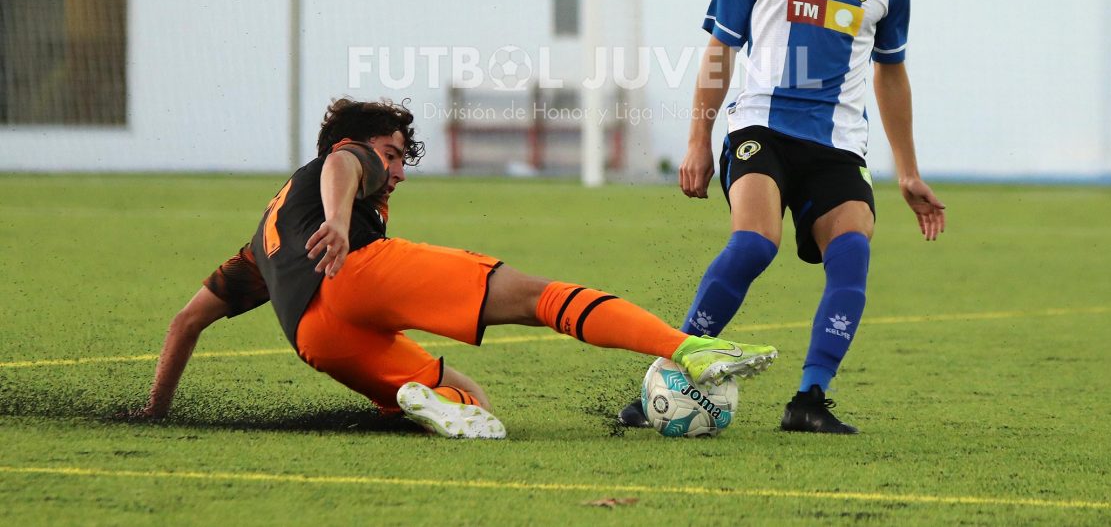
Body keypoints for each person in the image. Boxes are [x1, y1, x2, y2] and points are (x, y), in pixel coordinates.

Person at [134, 97, 777, 438]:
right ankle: (687, 348)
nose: (397, 169)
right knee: (540, 298)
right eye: (393, 154)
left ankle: (428, 405)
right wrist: (339, 222)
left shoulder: (263, 239)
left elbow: (186, 321)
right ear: (358, 144)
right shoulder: (345, 166)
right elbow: (343, 165)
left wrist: (155, 410)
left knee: (473, 402)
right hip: (358, 274)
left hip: (316, 337)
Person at [617, 0, 945, 434]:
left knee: (852, 254)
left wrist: (908, 171)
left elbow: (891, 73)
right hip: (760, 129)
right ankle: (669, 373)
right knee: (754, 243)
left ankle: (810, 400)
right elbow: (719, 54)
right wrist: (697, 141)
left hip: (837, 144)